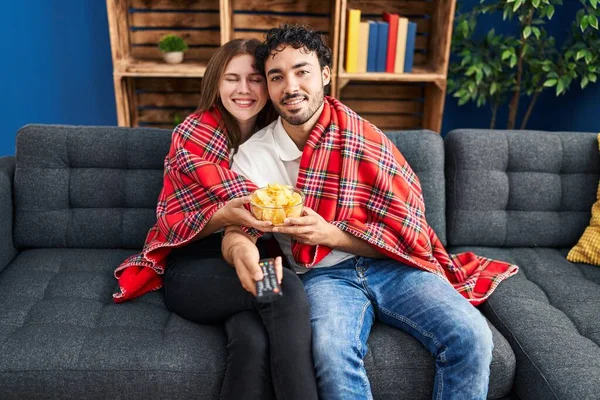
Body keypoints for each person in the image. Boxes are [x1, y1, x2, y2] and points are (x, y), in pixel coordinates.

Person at [221, 25, 519, 400]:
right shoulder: (253, 156)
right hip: (323, 278)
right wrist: (242, 252)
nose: (290, 86)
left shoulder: (363, 137)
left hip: (394, 266)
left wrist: (328, 234)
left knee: (473, 337)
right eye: (277, 77)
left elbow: (408, 236)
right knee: (331, 355)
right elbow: (238, 228)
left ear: (325, 75)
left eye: (302, 71)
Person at [112, 38, 319, 400]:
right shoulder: (193, 134)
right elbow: (171, 221)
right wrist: (221, 215)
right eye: (231, 78)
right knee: (283, 290)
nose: (243, 89)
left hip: (254, 256)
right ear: (215, 83)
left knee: (253, 341)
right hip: (193, 269)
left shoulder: (279, 136)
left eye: (255, 79)